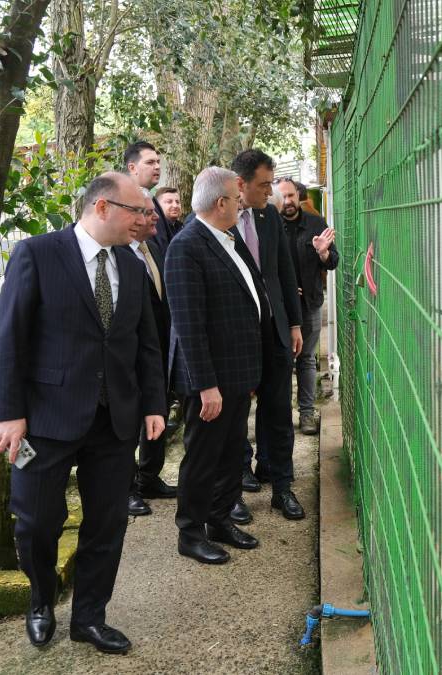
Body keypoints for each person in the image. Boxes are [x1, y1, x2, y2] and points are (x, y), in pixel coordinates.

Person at [0, 172, 166, 654]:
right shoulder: (38, 254)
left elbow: (145, 345)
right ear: (103, 208)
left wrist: (153, 403)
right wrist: (8, 413)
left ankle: (89, 616)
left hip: (114, 422)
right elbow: (9, 339)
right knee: (36, 522)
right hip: (45, 420)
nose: (146, 220)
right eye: (138, 212)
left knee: (107, 523)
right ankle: (41, 599)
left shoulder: (132, 266)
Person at [164, 166, 266, 564]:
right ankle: (190, 532)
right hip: (210, 380)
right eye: (237, 200)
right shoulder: (187, 246)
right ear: (220, 202)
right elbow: (188, 324)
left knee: (229, 453)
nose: (241, 206)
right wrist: (207, 385)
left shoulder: (227, 239)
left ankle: (219, 519)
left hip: (237, 372)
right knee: (203, 456)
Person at [229, 149, 305, 522]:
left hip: (274, 329)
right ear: (240, 185)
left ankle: (282, 486)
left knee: (278, 411)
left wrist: (293, 323)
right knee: (235, 412)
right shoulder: (218, 219)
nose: (270, 191)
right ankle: (235, 482)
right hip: (239, 334)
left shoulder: (269, 216)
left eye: (272, 183)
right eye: (264, 184)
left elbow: (284, 272)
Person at [275, 178, 338, 435]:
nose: (288, 202)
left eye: (291, 196)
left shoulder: (314, 223)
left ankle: (307, 413)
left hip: (309, 303)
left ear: (298, 196)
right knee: (281, 361)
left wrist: (323, 253)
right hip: (279, 307)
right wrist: (284, 290)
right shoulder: (268, 223)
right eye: (283, 197)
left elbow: (332, 261)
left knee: (307, 360)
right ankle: (279, 416)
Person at [127, 196, 176, 515]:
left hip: (158, 350)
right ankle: (127, 488)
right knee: (129, 423)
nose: (156, 219)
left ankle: (149, 477)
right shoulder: (117, 255)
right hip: (129, 356)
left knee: (157, 412)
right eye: (149, 214)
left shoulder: (155, 248)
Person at [124, 141, 177, 249]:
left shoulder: (152, 199)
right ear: (132, 168)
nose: (157, 166)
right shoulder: (123, 202)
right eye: (150, 162)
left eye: (158, 162)